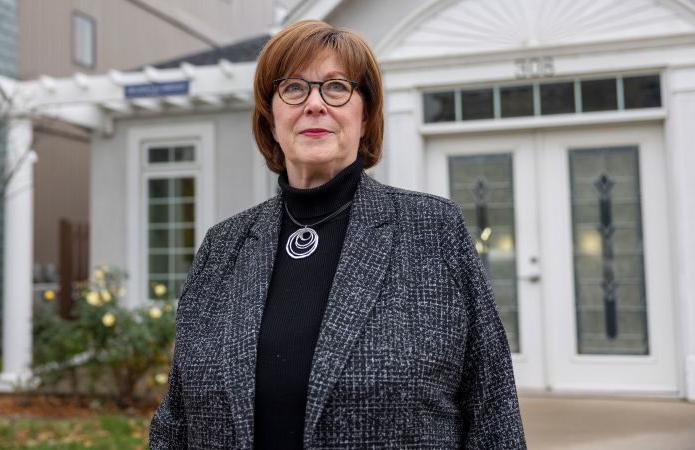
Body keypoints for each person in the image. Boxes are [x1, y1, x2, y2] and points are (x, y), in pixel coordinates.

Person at [149, 20, 526, 449]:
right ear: (271, 119)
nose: (314, 104)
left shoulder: (434, 229)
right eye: (294, 88)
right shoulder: (223, 247)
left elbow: (494, 416)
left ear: (365, 116)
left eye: (336, 87)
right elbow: (175, 422)